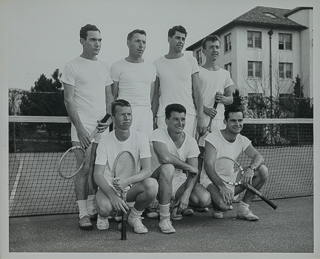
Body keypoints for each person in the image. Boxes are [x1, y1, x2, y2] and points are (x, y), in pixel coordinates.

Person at [61, 24, 114, 230]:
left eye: (100, 40)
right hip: (81, 127)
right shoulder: (71, 66)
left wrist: (108, 120)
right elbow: (68, 101)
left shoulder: (104, 67)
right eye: (93, 40)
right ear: (82, 41)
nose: (97, 44)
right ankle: (83, 213)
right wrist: (81, 128)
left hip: (102, 128)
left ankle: (94, 209)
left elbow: (110, 98)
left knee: (97, 170)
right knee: (83, 170)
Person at [94, 99, 158, 233]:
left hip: (131, 186)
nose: (126, 118)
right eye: (122, 114)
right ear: (113, 118)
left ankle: (134, 217)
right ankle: (104, 214)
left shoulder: (141, 138)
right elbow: (98, 174)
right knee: (104, 209)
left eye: (129, 114)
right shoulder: (104, 141)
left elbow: (147, 170)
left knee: (152, 185)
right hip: (110, 186)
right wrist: (113, 195)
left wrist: (127, 181)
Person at [150, 103, 211, 234]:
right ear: (166, 121)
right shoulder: (158, 133)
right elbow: (165, 158)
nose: (180, 123)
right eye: (175, 119)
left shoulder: (190, 141)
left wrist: (186, 195)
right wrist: (188, 166)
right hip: (155, 181)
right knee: (168, 168)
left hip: (178, 182)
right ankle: (164, 218)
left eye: (183, 119)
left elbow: (193, 173)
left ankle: (175, 204)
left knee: (204, 199)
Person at [202, 105, 269, 220]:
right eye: (233, 120)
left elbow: (259, 157)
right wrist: (222, 187)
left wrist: (251, 169)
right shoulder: (212, 138)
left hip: (230, 178)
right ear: (225, 121)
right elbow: (208, 165)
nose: (237, 124)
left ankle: (243, 209)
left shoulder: (242, 139)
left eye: (240, 120)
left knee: (262, 170)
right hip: (210, 179)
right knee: (223, 206)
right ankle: (216, 203)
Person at [152, 25, 206, 138]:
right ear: (169, 39)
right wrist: (152, 117)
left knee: (186, 153)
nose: (181, 41)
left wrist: (201, 117)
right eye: (177, 38)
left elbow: (197, 91)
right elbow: (156, 94)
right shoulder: (157, 63)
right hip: (164, 116)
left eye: (183, 39)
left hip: (188, 116)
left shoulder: (191, 61)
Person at [111, 29, 156, 138]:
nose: (141, 45)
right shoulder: (117, 66)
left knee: (145, 149)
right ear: (128, 43)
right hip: (124, 113)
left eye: (144, 42)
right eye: (137, 41)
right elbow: (113, 96)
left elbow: (151, 96)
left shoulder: (151, 68)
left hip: (145, 115)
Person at [198, 35, 236, 147]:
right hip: (202, 120)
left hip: (219, 122)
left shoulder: (225, 73)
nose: (215, 50)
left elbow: (230, 99)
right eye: (211, 47)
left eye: (217, 47)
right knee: (200, 155)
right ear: (204, 51)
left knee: (218, 155)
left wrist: (222, 98)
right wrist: (205, 109)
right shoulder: (197, 72)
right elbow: (191, 97)